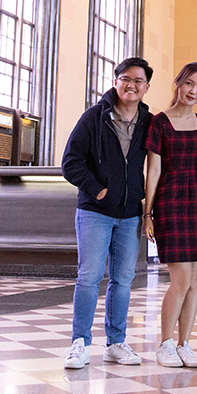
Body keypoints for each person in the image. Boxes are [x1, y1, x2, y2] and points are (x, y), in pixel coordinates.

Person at [60, 57, 154, 370]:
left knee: (123, 279)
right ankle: (79, 343)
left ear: (146, 87)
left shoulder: (148, 121)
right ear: (116, 81)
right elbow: (71, 162)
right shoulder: (94, 118)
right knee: (88, 276)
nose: (132, 85)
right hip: (95, 211)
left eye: (139, 81)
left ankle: (115, 343)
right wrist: (97, 189)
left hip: (129, 214)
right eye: (126, 79)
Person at [145, 62, 197, 368]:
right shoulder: (160, 122)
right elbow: (154, 169)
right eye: (189, 84)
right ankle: (165, 343)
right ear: (178, 83)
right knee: (181, 280)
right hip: (171, 203)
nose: (193, 91)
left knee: (196, 280)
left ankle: (185, 343)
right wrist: (148, 211)